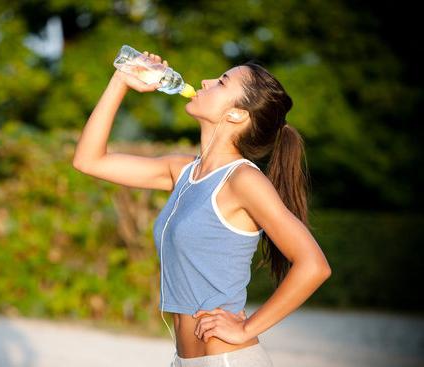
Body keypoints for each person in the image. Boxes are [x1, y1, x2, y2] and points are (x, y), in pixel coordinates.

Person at [73, 51, 332, 367]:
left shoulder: (243, 179)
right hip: (184, 360)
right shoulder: (182, 171)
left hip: (225, 359)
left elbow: (314, 265)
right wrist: (120, 81)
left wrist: (247, 328)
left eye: (222, 82)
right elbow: (88, 160)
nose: (206, 81)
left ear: (236, 115)